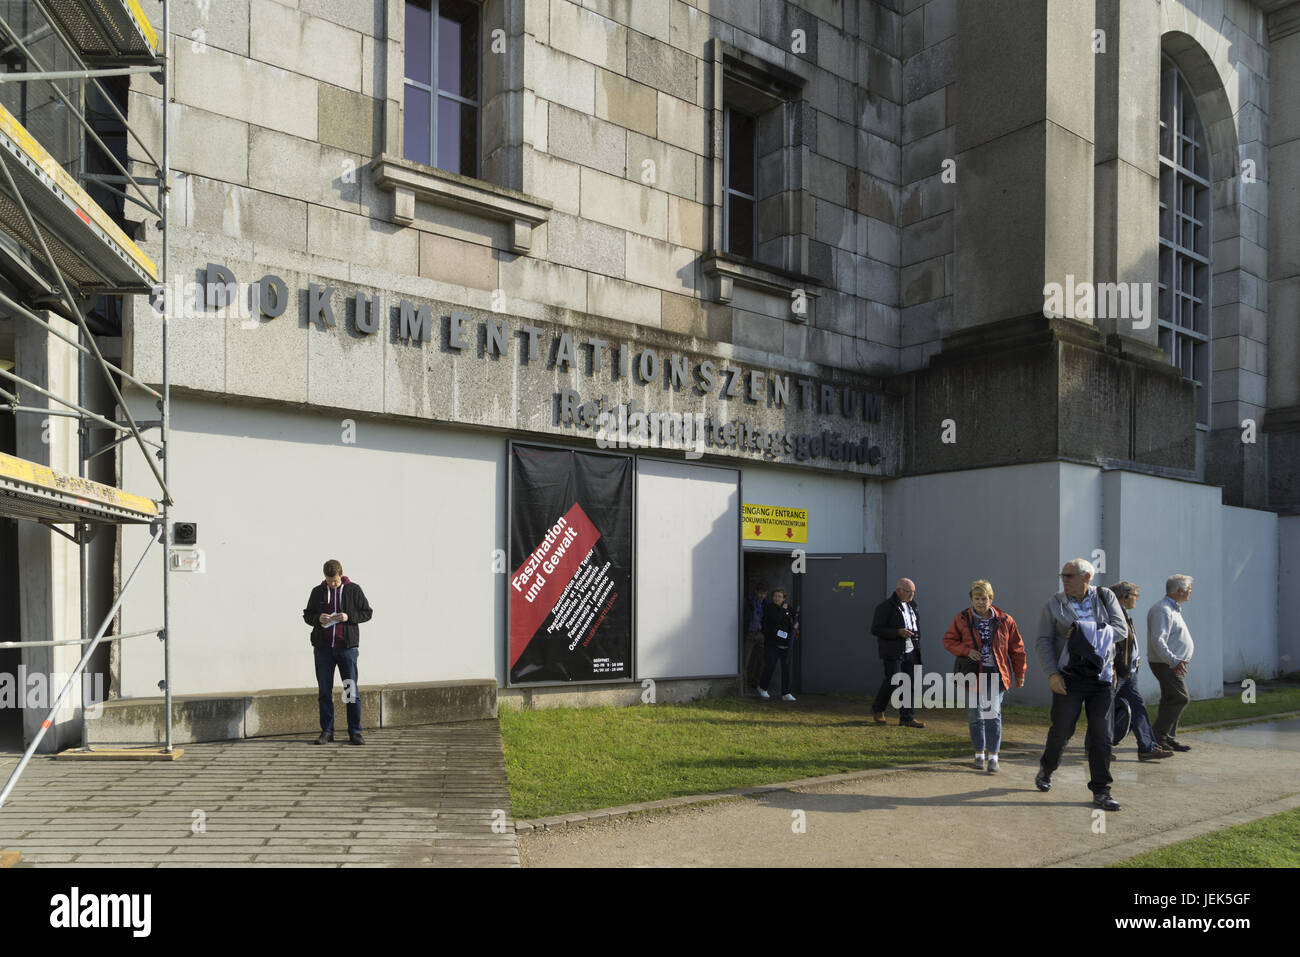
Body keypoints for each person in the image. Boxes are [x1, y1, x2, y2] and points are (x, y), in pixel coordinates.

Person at [1034, 558, 1126, 811]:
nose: (1063, 579)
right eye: (1062, 575)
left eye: (1069, 575)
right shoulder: (1054, 604)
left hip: (1101, 679)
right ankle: (1048, 767)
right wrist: (1052, 674)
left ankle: (1101, 791)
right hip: (1068, 679)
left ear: (1086, 578)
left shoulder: (1105, 597)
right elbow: (1043, 641)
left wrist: (1084, 631)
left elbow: (1121, 630)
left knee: (1101, 736)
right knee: (1062, 731)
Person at [941, 580, 1027, 773]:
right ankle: (979, 753)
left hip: (996, 674)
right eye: (977, 598)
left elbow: (1017, 649)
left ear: (991, 599)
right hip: (972, 673)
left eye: (984, 598)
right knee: (975, 714)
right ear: (971, 599)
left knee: (992, 715)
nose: (980, 602)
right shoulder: (962, 618)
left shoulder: (1005, 620)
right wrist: (966, 650)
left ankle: (994, 757)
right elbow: (948, 640)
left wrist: (1020, 673)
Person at [303, 559, 373, 745]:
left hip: (346, 649)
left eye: (334, 580)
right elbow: (307, 615)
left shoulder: (353, 590)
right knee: (324, 691)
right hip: (323, 650)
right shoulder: (317, 591)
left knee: (350, 690)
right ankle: (327, 731)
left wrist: (348, 616)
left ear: (341, 575)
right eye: (328, 580)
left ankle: (355, 731)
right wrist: (318, 618)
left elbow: (367, 612)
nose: (332, 584)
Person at [1105, 581, 1171, 762]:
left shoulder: (1123, 614)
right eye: (1135, 596)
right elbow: (1110, 645)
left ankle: (1147, 748)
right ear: (1124, 596)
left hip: (1129, 673)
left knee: (1137, 708)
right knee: (1105, 710)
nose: (1136, 600)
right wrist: (1116, 669)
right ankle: (1097, 748)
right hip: (1117, 673)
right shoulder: (1112, 615)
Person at [1148, 574, 1195, 752]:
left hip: (1172, 663)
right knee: (1180, 698)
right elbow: (1157, 640)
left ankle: (1166, 737)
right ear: (1180, 590)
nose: (1190, 592)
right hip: (1166, 663)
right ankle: (1157, 738)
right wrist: (1173, 660)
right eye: (1189, 589)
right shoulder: (1163, 610)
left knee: (1170, 699)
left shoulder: (1173, 609)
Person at [870, 578, 925, 728]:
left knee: (909, 683)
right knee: (892, 681)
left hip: (911, 649)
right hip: (893, 651)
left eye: (913, 592)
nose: (911, 595)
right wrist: (897, 632)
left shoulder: (912, 606)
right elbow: (876, 629)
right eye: (908, 592)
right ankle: (878, 709)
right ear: (899, 590)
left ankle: (907, 717)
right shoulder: (885, 607)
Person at [758, 587, 797, 702]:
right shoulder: (770, 608)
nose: (777, 598)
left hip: (785, 643)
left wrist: (796, 624)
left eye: (779, 596)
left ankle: (786, 693)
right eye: (775, 596)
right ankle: (763, 688)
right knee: (770, 666)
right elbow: (776, 619)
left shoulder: (787, 607)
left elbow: (794, 618)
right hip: (772, 643)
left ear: (784, 598)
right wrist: (783, 611)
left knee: (786, 669)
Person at [743, 583, 769, 692]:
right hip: (750, 633)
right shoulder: (749, 601)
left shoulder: (765, 603)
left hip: (760, 633)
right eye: (760, 593)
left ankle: (756, 682)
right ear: (756, 591)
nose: (762, 596)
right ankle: (743, 686)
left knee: (761, 660)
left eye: (764, 594)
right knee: (745, 660)